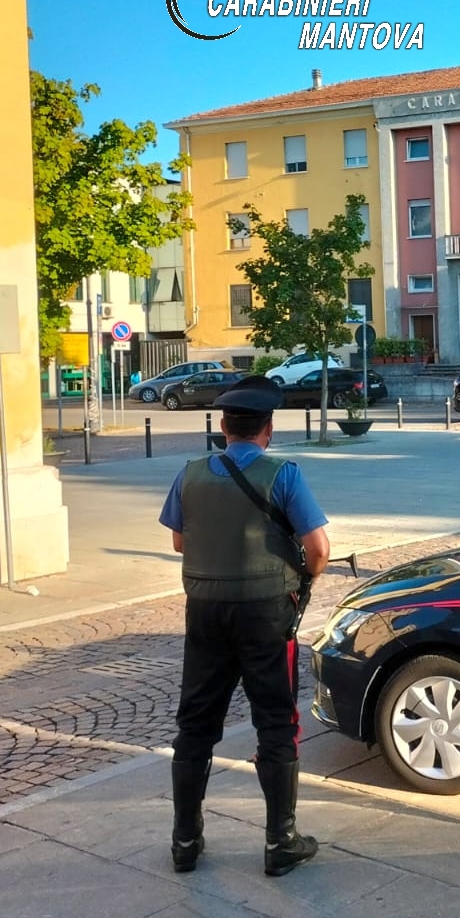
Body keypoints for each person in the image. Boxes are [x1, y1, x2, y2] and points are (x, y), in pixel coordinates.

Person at [159, 375, 332, 878]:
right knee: (276, 721)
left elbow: (178, 542)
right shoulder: (284, 475)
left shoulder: (190, 474)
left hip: (206, 612)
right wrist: (303, 578)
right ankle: (281, 842)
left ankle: (185, 841)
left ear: (221, 426)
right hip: (266, 613)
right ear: (268, 430)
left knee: (194, 725)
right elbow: (318, 549)